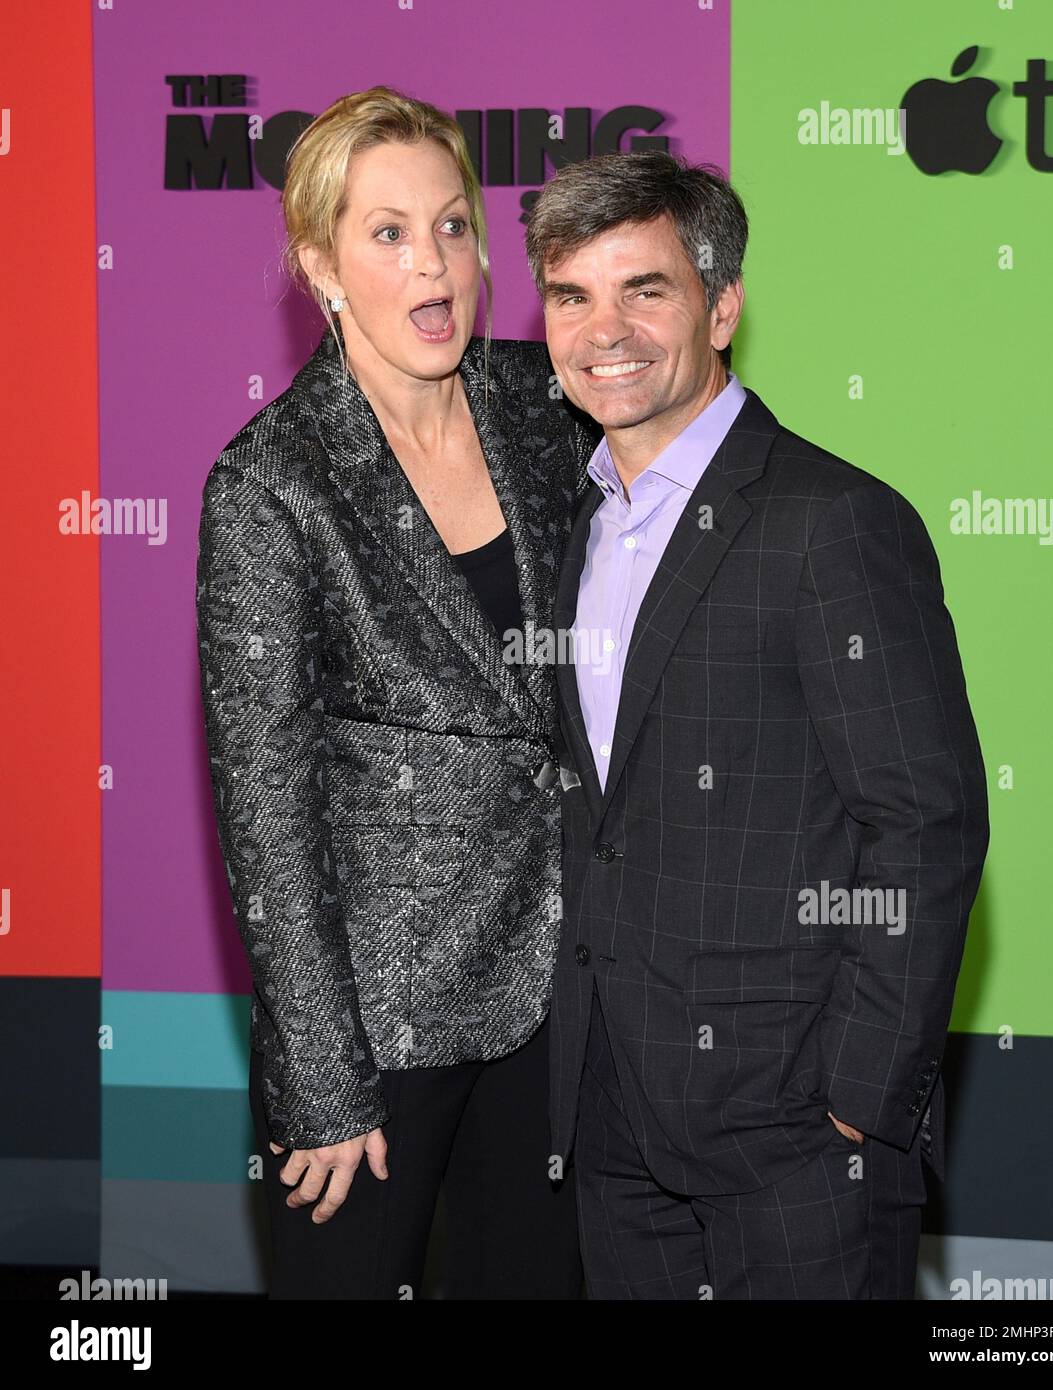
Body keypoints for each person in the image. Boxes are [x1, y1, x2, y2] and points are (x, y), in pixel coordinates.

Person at [526, 150, 990, 1299]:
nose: (605, 330)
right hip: (613, 1118)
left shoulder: (832, 521)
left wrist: (855, 1101)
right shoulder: (566, 525)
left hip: (795, 1138)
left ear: (722, 304)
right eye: (571, 295)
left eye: (646, 289)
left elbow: (925, 823)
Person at [195, 87, 593, 1299]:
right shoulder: (270, 484)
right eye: (386, 233)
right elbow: (264, 804)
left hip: (561, 984)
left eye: (454, 225)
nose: (434, 264)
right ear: (319, 262)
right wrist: (320, 1078)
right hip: (381, 1022)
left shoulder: (542, 405)